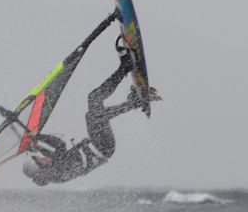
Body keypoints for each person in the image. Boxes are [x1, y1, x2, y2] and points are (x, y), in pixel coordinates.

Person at [22, 36, 159, 186]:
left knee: (93, 101)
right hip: (103, 147)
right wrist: (38, 137)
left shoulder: (52, 168)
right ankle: (136, 101)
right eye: (40, 161)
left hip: (98, 144)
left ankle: (125, 68)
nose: (42, 158)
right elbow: (59, 145)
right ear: (42, 170)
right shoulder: (56, 172)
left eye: (38, 157)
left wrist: (37, 142)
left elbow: (55, 153)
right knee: (95, 112)